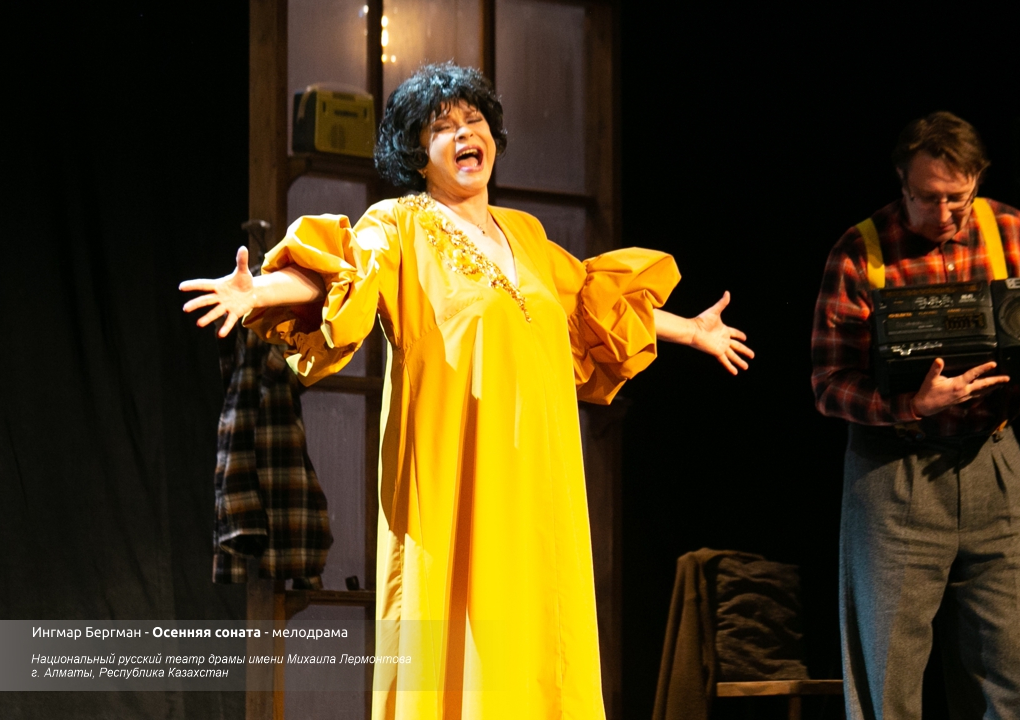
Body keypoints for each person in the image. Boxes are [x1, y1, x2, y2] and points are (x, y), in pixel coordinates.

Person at [181, 62, 753, 720]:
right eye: (441, 127)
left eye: (473, 120)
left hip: (538, 484)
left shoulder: (527, 235)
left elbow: (591, 305)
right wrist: (258, 291)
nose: (463, 134)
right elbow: (337, 276)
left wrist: (690, 330)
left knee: (540, 637)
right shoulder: (397, 225)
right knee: (460, 640)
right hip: (454, 480)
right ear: (416, 153)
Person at [811, 111, 1020, 720]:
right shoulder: (860, 251)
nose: (943, 214)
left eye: (957, 199)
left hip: (993, 461)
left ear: (977, 181)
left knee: (1009, 671)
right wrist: (910, 405)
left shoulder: (1009, 230)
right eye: (927, 198)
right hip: (896, 471)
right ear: (901, 182)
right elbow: (829, 385)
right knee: (890, 674)